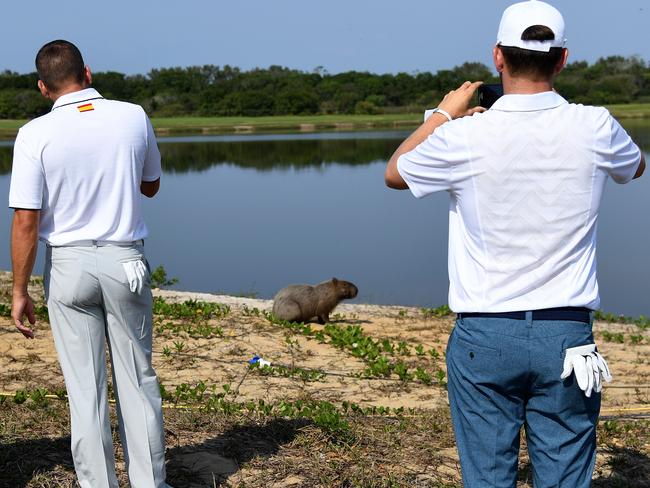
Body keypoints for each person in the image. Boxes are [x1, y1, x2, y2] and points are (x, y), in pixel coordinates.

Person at [385, 1, 645, 487]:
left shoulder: (464, 135)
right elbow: (635, 168)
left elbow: (395, 172)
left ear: (498, 57)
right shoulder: (596, 125)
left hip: (484, 334)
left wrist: (444, 113)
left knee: (487, 476)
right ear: (563, 59)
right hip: (566, 335)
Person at [9, 40, 173, 488]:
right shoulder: (133, 114)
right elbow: (152, 185)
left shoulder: (33, 133)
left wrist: (19, 291)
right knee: (138, 382)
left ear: (43, 87)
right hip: (124, 260)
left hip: (67, 265)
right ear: (89, 72)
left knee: (85, 391)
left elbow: (27, 219)